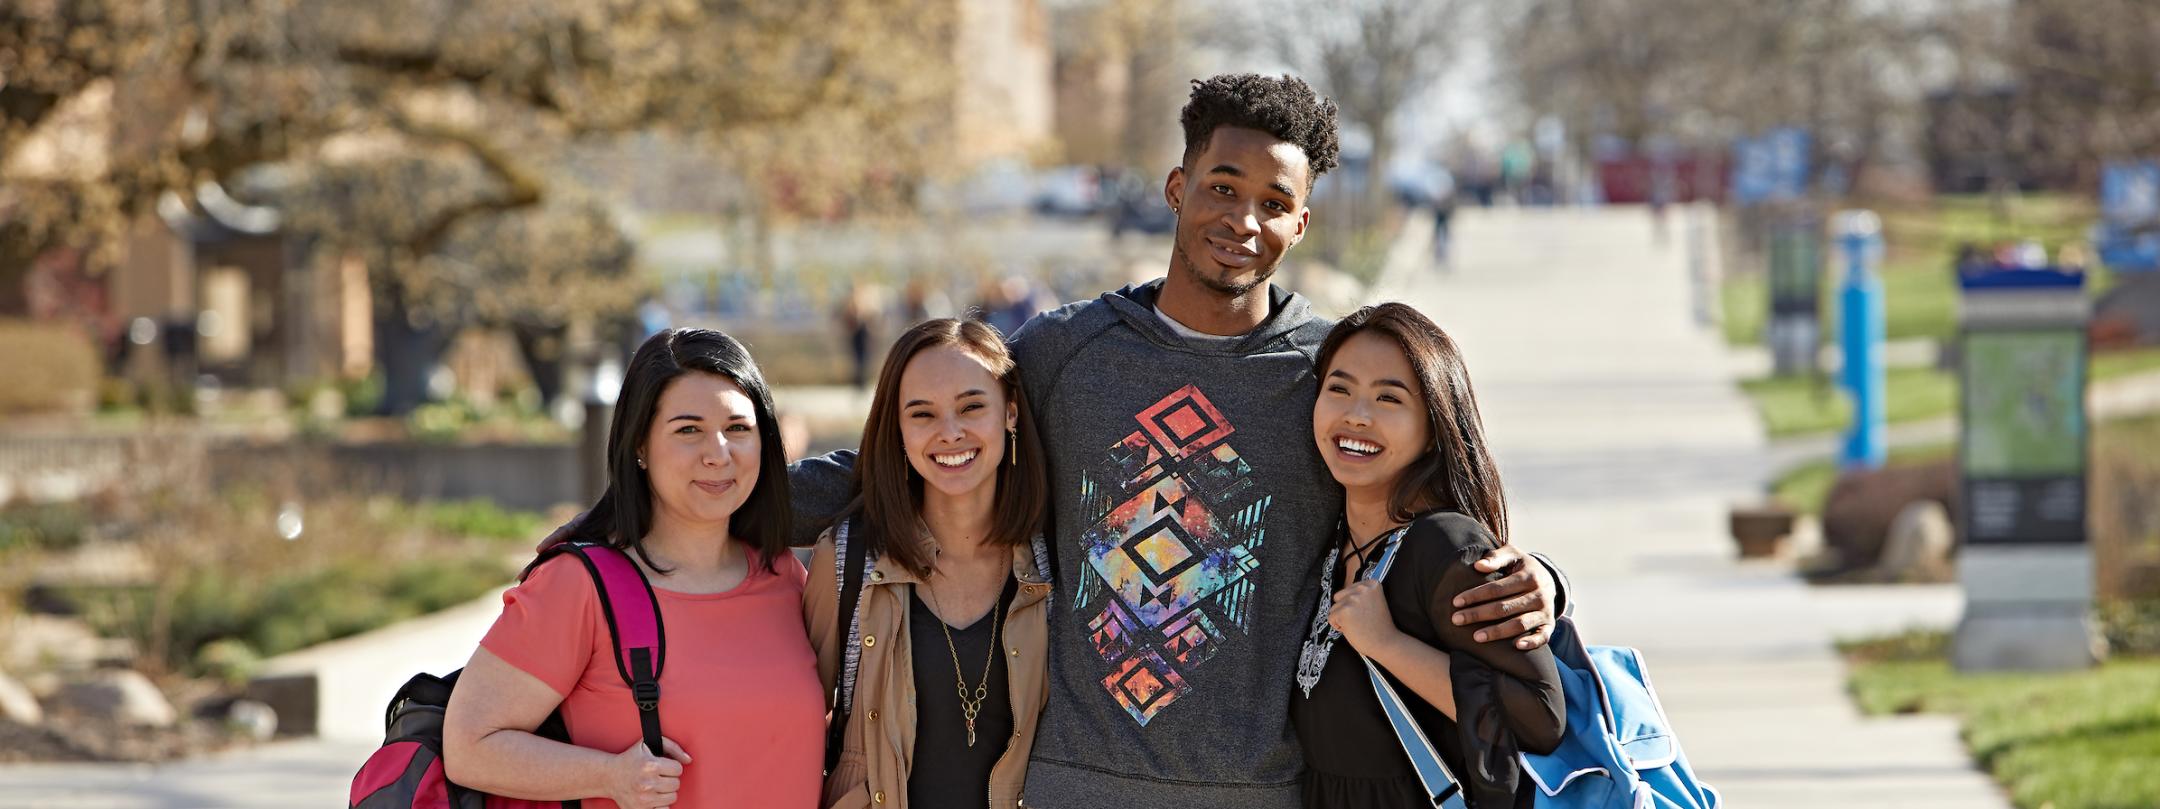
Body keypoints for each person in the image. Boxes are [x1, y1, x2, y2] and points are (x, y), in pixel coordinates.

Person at [787, 74, 1571, 809]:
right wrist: (717, 493)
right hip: (1076, 783)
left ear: (1301, 222)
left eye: (1273, 201)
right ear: (1176, 188)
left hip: (1259, 789)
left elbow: (1426, 509)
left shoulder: (1328, 375)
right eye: (1222, 188)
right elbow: (922, 453)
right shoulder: (1068, 350)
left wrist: (1541, 579)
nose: (1242, 220)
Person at [449, 328, 824, 809]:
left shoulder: (784, 575)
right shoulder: (579, 586)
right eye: (688, 430)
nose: (719, 453)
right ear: (639, 447)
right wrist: (610, 776)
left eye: (738, 429)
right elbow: (469, 746)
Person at [1291, 303, 1564, 808]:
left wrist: (1387, 644)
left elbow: (1539, 717)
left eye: (1388, 398)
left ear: (1434, 426)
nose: (1357, 415)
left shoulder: (1445, 547)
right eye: (1339, 389)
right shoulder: (1324, 542)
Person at [803, 318, 1053, 809]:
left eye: (972, 406)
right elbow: (796, 726)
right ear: (896, 428)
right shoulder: (847, 559)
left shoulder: (1055, 562)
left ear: (1011, 412)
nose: (951, 432)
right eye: (923, 414)